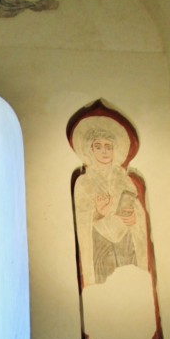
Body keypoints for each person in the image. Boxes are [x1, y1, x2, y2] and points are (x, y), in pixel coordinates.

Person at [72, 123, 148, 287]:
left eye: (108, 147)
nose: (104, 151)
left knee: (132, 284)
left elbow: (137, 209)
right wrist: (98, 213)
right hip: (100, 241)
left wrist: (135, 218)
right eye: (98, 147)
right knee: (104, 285)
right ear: (91, 150)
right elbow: (80, 218)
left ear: (114, 150)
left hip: (126, 239)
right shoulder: (83, 182)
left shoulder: (124, 179)